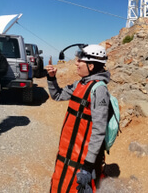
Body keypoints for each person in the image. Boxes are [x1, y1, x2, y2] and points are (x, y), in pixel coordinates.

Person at [46, 44, 111, 193]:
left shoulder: (99, 90)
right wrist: (51, 78)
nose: (76, 63)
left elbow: (99, 130)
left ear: (91, 66)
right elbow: (57, 95)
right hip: (67, 154)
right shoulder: (80, 84)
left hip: (81, 160)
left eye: (80, 61)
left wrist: (88, 167)